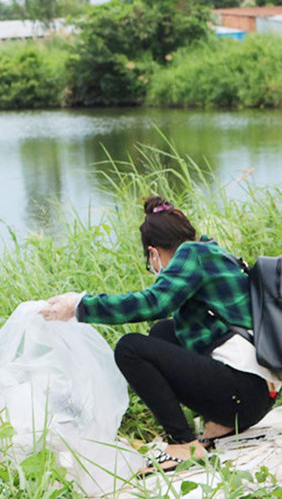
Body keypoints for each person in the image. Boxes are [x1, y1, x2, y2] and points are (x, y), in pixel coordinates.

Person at [40, 196, 279, 475]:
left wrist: (80, 306)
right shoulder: (211, 250)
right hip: (255, 394)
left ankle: (184, 444)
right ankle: (221, 424)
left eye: (150, 261)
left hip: (242, 394)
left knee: (130, 348)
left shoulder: (191, 256)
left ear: (153, 254)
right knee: (162, 333)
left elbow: (153, 303)